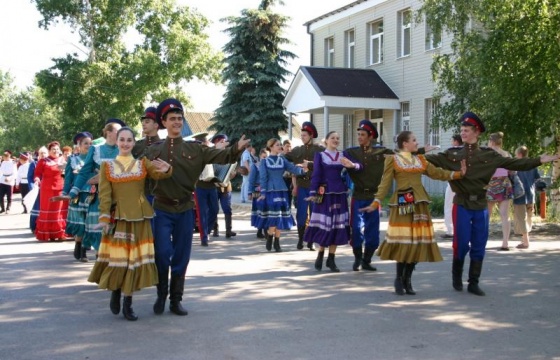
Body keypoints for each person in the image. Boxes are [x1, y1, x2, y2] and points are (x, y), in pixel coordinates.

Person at [425, 112, 558, 296]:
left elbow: (514, 163)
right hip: (462, 204)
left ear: (476, 132)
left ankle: (473, 282)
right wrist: (413, 151)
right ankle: (457, 276)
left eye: (466, 130)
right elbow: (428, 160)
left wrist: (539, 160)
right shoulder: (452, 154)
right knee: (461, 244)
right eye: (461, 130)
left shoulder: (489, 155)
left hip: (480, 204)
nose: (462, 133)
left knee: (479, 244)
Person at [146, 98, 249, 316]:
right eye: (172, 119)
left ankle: (176, 299)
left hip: (184, 209)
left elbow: (223, 155)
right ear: (163, 122)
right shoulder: (153, 150)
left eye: (179, 118)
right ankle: (161, 294)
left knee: (181, 256)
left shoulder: (196, 149)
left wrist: (237, 149)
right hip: (162, 209)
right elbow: (136, 173)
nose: (177, 122)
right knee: (162, 254)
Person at [361, 131, 465, 295]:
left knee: (417, 242)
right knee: (404, 241)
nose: (417, 143)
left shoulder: (420, 160)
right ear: (405, 144)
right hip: (403, 201)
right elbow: (385, 183)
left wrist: (458, 174)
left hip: (419, 203)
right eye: (414, 140)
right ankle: (398, 278)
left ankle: (408, 279)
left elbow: (437, 173)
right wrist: (376, 202)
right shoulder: (393, 160)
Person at [88, 127, 173, 321]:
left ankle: (128, 301)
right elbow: (105, 195)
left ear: (134, 143)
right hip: (119, 219)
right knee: (120, 260)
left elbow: (160, 174)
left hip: (140, 219)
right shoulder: (107, 167)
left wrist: (167, 169)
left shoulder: (142, 164)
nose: (125, 143)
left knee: (134, 261)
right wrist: (104, 219)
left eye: (129, 140)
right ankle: (116, 292)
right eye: (122, 139)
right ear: (116, 142)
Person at [343, 119, 395, 272]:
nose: (359, 137)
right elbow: (332, 160)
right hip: (358, 196)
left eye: (362, 134)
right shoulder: (351, 152)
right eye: (358, 134)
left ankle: (367, 260)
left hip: (374, 197)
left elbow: (401, 155)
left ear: (370, 136)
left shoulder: (382, 152)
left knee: (372, 231)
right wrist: (311, 165)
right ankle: (357, 258)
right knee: (356, 229)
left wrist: (421, 151)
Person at [68, 119, 125, 255]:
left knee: (117, 229)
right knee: (100, 230)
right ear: (108, 132)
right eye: (118, 130)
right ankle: (100, 258)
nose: (121, 133)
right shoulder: (96, 150)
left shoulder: (124, 148)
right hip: (100, 195)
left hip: (120, 196)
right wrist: (73, 191)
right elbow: (84, 172)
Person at [303, 131, 355, 272]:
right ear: (326, 141)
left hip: (340, 193)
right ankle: (320, 254)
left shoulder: (343, 155)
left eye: (338, 138)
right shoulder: (320, 155)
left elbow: (354, 167)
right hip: (326, 194)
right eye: (333, 138)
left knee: (337, 226)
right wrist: (313, 192)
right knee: (326, 226)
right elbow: (316, 175)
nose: (336, 140)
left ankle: (331, 259)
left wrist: (352, 168)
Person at [258, 138, 307, 252]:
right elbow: (263, 178)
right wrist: (263, 193)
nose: (280, 146)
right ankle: (270, 236)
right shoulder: (264, 161)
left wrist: (303, 170)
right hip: (270, 191)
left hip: (282, 190)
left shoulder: (282, 160)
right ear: (270, 147)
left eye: (280, 145)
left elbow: (292, 168)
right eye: (277, 145)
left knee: (280, 216)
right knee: (273, 216)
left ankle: (277, 241)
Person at [284, 122, 324, 250]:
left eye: (304, 135)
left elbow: (326, 164)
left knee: (314, 214)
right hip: (301, 186)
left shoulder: (319, 149)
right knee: (301, 214)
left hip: (314, 186)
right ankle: (301, 239)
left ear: (311, 135)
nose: (302, 137)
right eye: (301, 135)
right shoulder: (297, 150)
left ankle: (311, 241)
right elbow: (284, 158)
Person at [59, 132, 93, 261]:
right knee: (80, 224)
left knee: (90, 223)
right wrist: (65, 192)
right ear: (79, 145)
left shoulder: (95, 159)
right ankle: (78, 245)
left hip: (93, 195)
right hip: (77, 195)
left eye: (91, 143)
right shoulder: (73, 160)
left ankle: (84, 249)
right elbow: (68, 179)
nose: (88, 146)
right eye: (86, 143)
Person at [33, 142, 69, 241]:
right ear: (49, 151)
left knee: (59, 211)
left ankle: (60, 233)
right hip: (47, 189)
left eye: (57, 149)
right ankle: (47, 234)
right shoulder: (43, 161)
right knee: (48, 211)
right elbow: (37, 173)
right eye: (53, 149)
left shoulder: (63, 160)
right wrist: (37, 179)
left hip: (61, 188)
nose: (56, 151)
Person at [486, 132, 514, 250]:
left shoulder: (488, 153)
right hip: (504, 184)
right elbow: (512, 171)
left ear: (491, 142)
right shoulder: (506, 154)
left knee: (486, 215)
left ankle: (482, 241)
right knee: (504, 215)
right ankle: (505, 243)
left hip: (491, 184)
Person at [193, 132, 220, 247]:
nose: (203, 145)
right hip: (200, 186)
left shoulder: (211, 152)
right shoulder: (194, 154)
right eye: (200, 143)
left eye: (203, 142)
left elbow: (218, 166)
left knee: (214, 209)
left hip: (212, 185)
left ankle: (207, 230)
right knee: (202, 212)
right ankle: (204, 237)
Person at [512, 146, 541, 249]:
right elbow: (538, 178)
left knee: (521, 218)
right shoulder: (532, 165)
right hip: (531, 194)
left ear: (519, 154)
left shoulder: (517, 165)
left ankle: (526, 241)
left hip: (520, 194)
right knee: (528, 217)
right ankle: (524, 240)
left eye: (516, 154)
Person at [211, 134, 238, 239]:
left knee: (227, 208)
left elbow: (233, 168)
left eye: (225, 142)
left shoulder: (229, 155)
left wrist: (233, 173)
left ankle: (228, 230)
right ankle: (215, 229)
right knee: (214, 209)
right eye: (221, 142)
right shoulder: (212, 154)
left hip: (226, 186)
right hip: (214, 185)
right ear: (216, 143)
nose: (224, 145)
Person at [132, 106, 161, 202]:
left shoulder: (163, 146)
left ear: (156, 125)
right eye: (143, 122)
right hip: (138, 193)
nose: (143, 124)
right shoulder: (137, 145)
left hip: (157, 195)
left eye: (147, 121)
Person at [442, 135, 464, 239]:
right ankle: (462, 229)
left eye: (452, 140)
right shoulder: (467, 151)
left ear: (456, 141)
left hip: (453, 180)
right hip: (464, 182)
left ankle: (450, 230)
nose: (451, 142)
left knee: (449, 206)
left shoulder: (451, 152)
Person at [249, 148, 268, 239]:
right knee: (259, 211)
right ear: (260, 156)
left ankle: (265, 230)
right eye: (263, 157)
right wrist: (250, 192)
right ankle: (260, 230)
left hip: (267, 190)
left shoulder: (269, 166)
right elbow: (251, 180)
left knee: (266, 210)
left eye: (266, 157)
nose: (265, 159)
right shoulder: (255, 166)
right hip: (257, 191)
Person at [28, 147, 48, 231]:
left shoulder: (50, 163)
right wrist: (33, 187)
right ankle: (34, 226)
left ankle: (45, 227)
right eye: (41, 153)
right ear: (38, 154)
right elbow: (29, 177)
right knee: (36, 208)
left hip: (47, 189)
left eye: (44, 153)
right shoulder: (34, 163)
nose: (43, 155)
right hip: (37, 189)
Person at [0, 150, 17, 214]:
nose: (5, 157)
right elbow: (1, 172)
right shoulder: (3, 162)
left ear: (9, 155)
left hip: (10, 181)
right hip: (2, 180)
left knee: (9, 196)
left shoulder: (13, 163)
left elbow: (15, 173)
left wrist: (9, 178)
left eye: (7, 156)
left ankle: (8, 208)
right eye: (4, 156)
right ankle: (2, 208)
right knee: (1, 196)